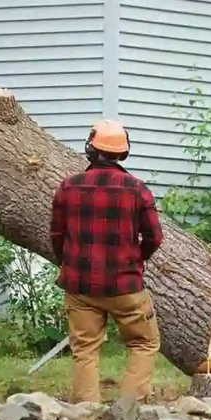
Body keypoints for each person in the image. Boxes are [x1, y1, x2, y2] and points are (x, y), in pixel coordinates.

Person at [49, 119, 164, 404]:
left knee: (85, 349)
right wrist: (137, 259)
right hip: (125, 286)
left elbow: (56, 234)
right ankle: (129, 408)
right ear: (123, 153)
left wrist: (69, 264)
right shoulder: (137, 190)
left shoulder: (68, 187)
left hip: (80, 287)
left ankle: (86, 415)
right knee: (144, 342)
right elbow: (154, 237)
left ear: (91, 148)